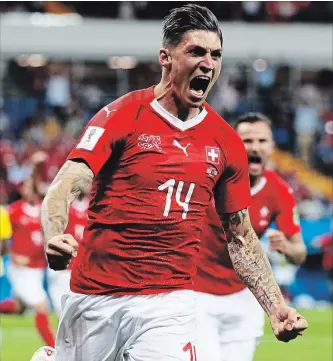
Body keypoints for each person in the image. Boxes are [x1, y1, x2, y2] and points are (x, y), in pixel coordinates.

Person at [39, 5, 307, 361]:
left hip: (170, 302)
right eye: (196, 52)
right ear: (165, 57)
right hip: (97, 295)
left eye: (215, 55)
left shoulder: (225, 143)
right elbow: (65, 186)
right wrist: (53, 236)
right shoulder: (122, 115)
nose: (208, 63)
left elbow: (241, 237)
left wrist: (275, 307)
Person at [195, 112, 307, 361]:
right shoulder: (208, 178)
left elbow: (300, 252)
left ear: (272, 147)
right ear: (233, 143)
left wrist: (288, 248)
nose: (255, 147)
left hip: (245, 296)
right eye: (247, 140)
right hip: (196, 293)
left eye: (262, 141)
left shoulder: (280, 191)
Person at [0, 171, 55, 347]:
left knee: (18, 307)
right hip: (21, 269)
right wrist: (11, 254)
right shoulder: (14, 210)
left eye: (30, 186)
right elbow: (4, 235)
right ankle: (54, 350)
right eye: (23, 186)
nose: (26, 190)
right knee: (41, 306)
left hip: (38, 268)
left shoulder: (45, 209)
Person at [47, 188, 89, 317]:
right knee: (63, 312)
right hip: (64, 268)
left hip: (84, 269)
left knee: (80, 314)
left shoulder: (95, 208)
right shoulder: (64, 207)